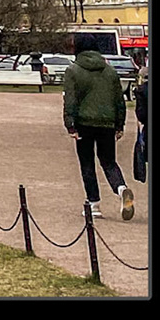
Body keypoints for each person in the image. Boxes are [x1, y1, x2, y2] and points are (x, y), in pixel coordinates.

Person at [62, 41, 133, 220]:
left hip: (84, 122)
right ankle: (121, 188)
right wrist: (119, 124)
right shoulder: (110, 71)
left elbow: (70, 100)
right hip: (107, 122)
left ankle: (94, 204)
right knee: (109, 162)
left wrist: (70, 124)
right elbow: (119, 100)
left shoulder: (73, 70)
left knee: (87, 163)